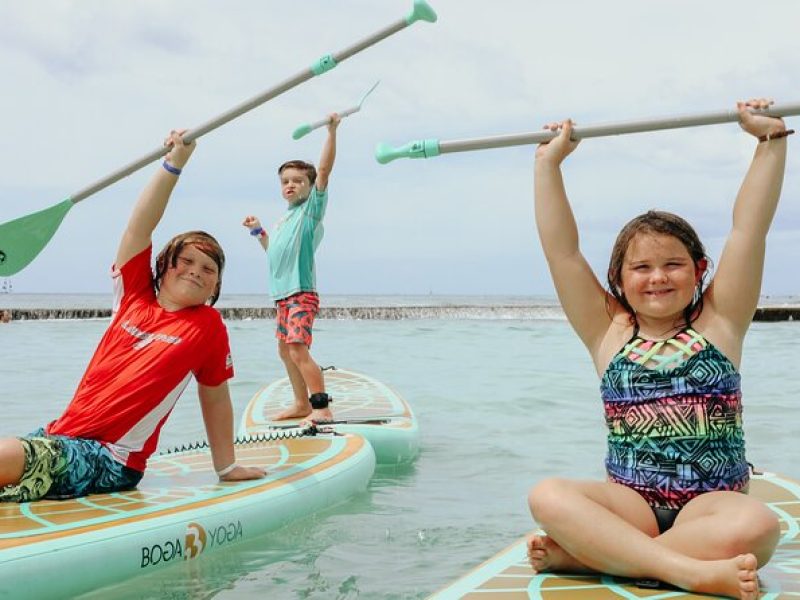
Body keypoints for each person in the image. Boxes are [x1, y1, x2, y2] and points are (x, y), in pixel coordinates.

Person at [527, 98, 791, 599]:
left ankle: (599, 556)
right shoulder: (608, 332)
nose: (657, 277)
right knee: (546, 496)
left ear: (698, 269)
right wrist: (548, 165)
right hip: (630, 505)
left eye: (673, 264)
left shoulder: (721, 322)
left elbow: (748, 230)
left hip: (710, 507)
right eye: (641, 268)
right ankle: (686, 570)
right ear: (618, 279)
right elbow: (561, 252)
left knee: (758, 527)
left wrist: (770, 142)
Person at [0, 130, 265, 503]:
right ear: (164, 266)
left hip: (111, 459)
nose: (195, 271)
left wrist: (226, 467)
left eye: (208, 269)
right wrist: (173, 164)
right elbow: (139, 226)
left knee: (5, 456)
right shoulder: (132, 297)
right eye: (186, 260)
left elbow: (216, 396)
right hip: (61, 436)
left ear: (215, 287)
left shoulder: (206, 327)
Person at [242, 114, 341, 423]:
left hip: (300, 293)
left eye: (298, 181)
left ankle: (321, 407)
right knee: (285, 352)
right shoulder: (283, 219)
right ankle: (301, 404)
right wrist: (258, 231)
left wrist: (331, 131)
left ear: (310, 188)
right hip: (282, 297)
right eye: (285, 181)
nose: (291, 185)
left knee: (298, 350)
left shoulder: (309, 213)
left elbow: (324, 170)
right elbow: (273, 252)